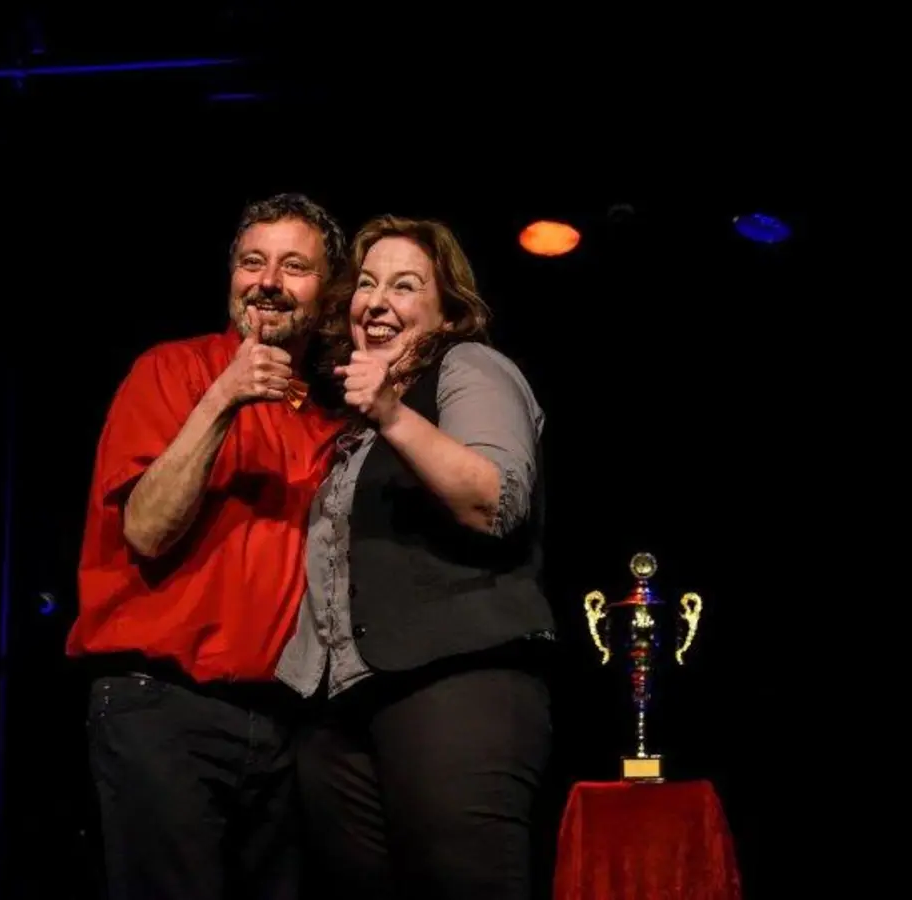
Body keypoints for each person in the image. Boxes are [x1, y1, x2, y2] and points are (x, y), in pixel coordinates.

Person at [65, 193, 348, 900]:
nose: (268, 282)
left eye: (294, 266)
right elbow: (147, 529)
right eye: (252, 262)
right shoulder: (172, 372)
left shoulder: (329, 417)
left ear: (329, 290)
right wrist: (223, 398)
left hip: (284, 729)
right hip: (163, 709)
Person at [275, 215, 556, 900]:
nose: (377, 301)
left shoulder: (469, 368)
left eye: (405, 286)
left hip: (455, 687)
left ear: (445, 310)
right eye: (367, 283)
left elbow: (497, 502)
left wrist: (395, 414)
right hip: (342, 710)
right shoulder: (347, 426)